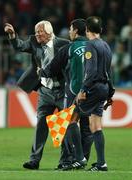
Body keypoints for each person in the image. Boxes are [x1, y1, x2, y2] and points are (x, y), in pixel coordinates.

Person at [4, 20, 70, 170]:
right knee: (40, 125)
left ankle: (65, 161)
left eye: (40, 31)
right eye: (36, 31)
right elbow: (19, 46)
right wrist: (13, 35)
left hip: (62, 90)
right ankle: (34, 160)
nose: (37, 34)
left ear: (49, 32)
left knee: (62, 127)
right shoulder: (34, 42)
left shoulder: (64, 44)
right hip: (45, 91)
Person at [39, 19, 93, 170]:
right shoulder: (94, 46)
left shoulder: (69, 48)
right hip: (94, 91)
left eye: (70, 29)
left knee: (68, 123)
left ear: (76, 31)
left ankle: (76, 158)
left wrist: (40, 71)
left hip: (74, 92)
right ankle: (84, 159)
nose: (69, 32)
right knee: (88, 127)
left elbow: (51, 69)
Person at [71, 16, 115, 171]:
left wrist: (82, 90)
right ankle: (102, 163)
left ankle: (80, 158)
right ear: (101, 30)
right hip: (103, 88)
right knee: (96, 126)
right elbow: (108, 72)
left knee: (71, 119)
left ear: (87, 30)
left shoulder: (90, 45)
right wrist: (110, 93)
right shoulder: (106, 46)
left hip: (93, 88)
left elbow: (91, 71)